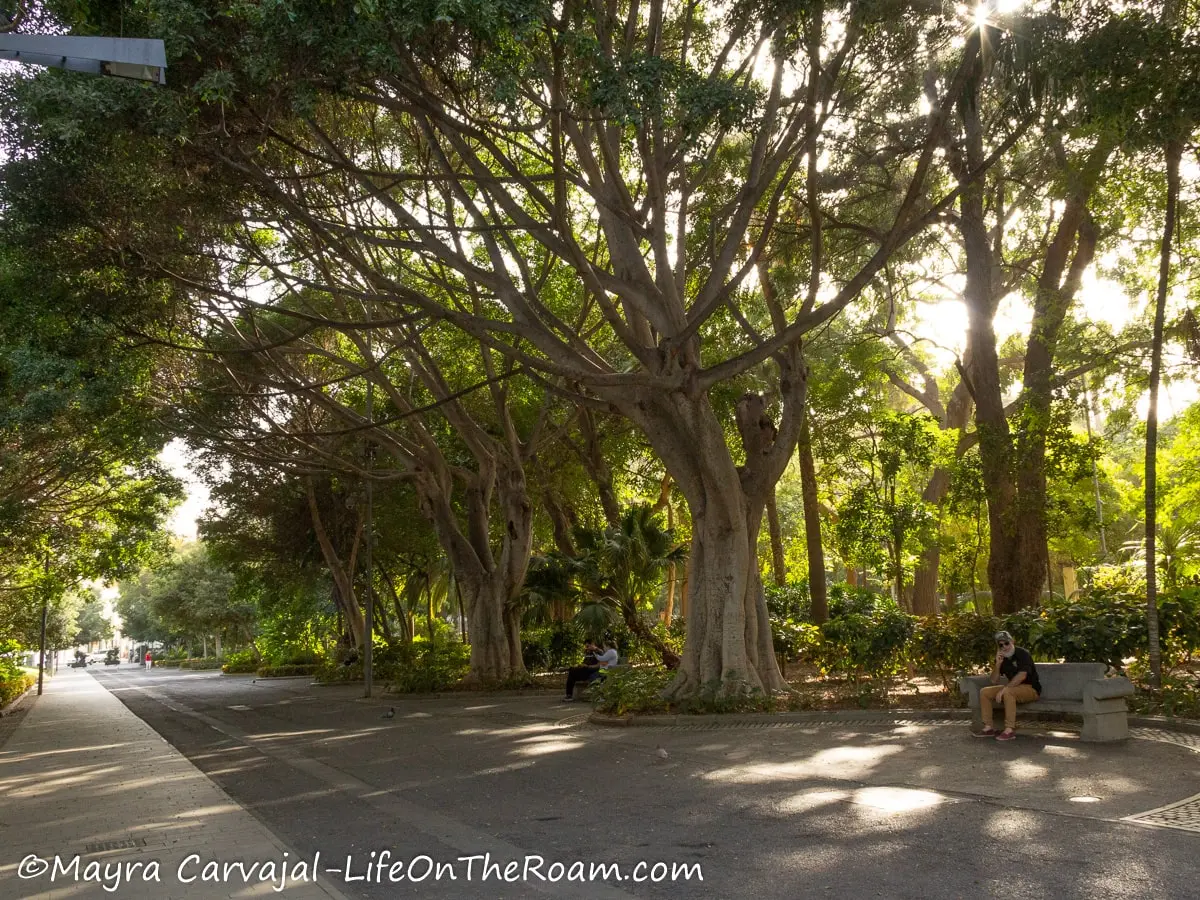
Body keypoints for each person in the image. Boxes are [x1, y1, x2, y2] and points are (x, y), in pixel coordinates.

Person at [975, 630, 1041, 741]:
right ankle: (988, 727)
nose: (1005, 647)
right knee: (984, 692)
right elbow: (994, 680)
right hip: (1013, 688)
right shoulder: (1002, 658)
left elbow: (1022, 676)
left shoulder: (1023, 653)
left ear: (1012, 641)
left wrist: (1005, 689)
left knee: (1008, 691)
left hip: (1031, 689)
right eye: (1001, 645)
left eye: (1006, 643)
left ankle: (1009, 730)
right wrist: (998, 664)